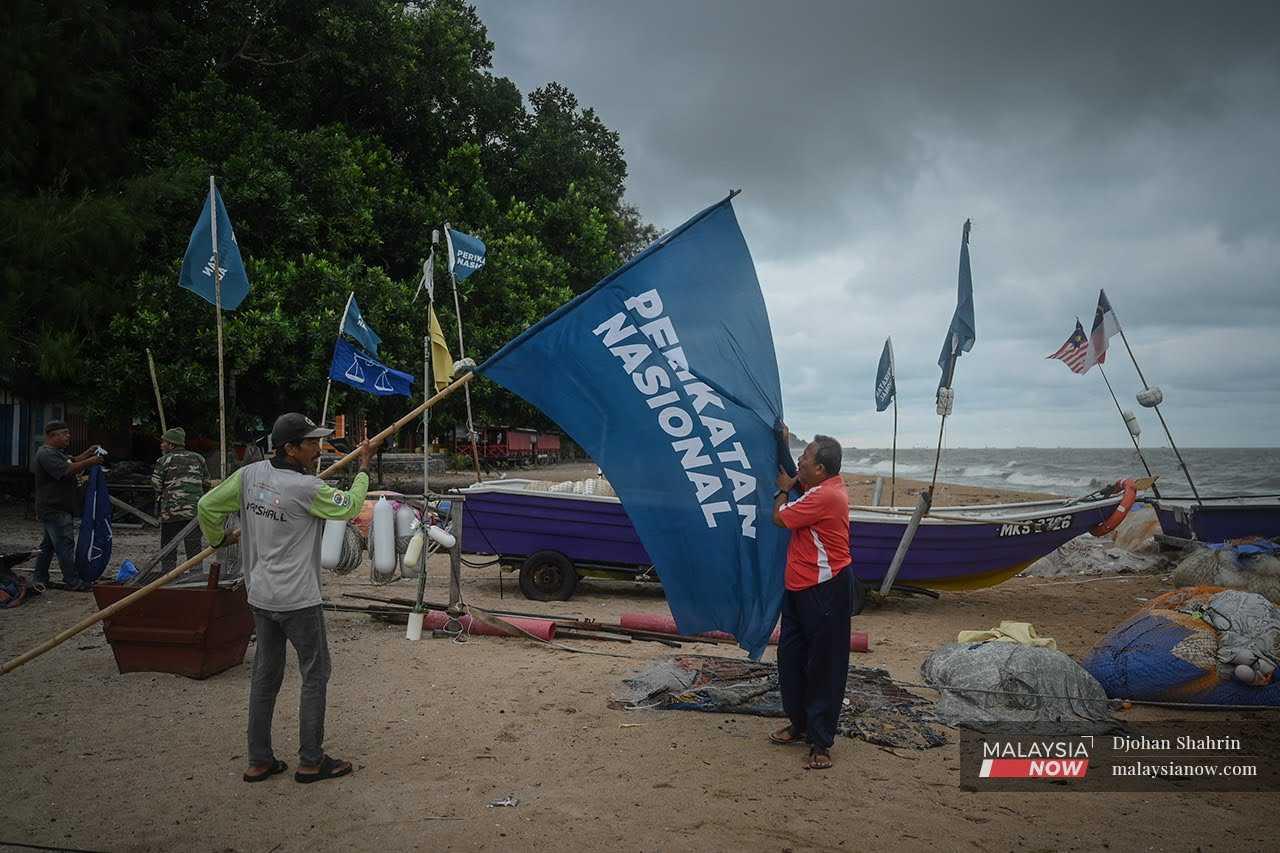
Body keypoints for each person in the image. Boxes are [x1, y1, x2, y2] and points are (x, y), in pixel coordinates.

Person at [198, 413, 373, 784]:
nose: (317, 448)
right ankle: (311, 761)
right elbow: (350, 507)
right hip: (298, 599)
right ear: (290, 448)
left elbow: (207, 507)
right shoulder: (306, 488)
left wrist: (219, 538)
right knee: (315, 673)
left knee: (265, 676)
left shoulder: (249, 476)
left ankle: (258, 760)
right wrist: (363, 469)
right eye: (311, 442)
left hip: (260, 595)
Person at [769, 432, 860, 771]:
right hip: (798, 589)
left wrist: (781, 489)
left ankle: (820, 743)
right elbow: (800, 477)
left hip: (826, 590)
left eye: (805, 457)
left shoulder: (826, 496)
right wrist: (781, 440)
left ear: (820, 468)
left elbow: (778, 517)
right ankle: (799, 724)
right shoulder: (819, 487)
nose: (800, 461)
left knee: (825, 666)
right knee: (791, 659)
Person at [31, 420, 102, 591]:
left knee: (48, 546)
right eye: (64, 433)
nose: (68, 436)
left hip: (55, 507)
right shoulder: (46, 454)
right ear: (52, 436)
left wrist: (87, 453)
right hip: (55, 508)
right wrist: (91, 461)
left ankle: (40, 578)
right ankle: (73, 581)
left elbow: (72, 461)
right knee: (65, 545)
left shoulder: (56, 452)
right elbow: (67, 470)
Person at [150, 427, 210, 572]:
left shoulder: (163, 460)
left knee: (168, 547)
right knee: (194, 546)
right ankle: (195, 577)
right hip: (194, 513)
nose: (161, 445)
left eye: (164, 442)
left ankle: (167, 576)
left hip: (171, 513)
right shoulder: (198, 458)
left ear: (171, 444)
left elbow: (156, 484)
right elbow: (206, 483)